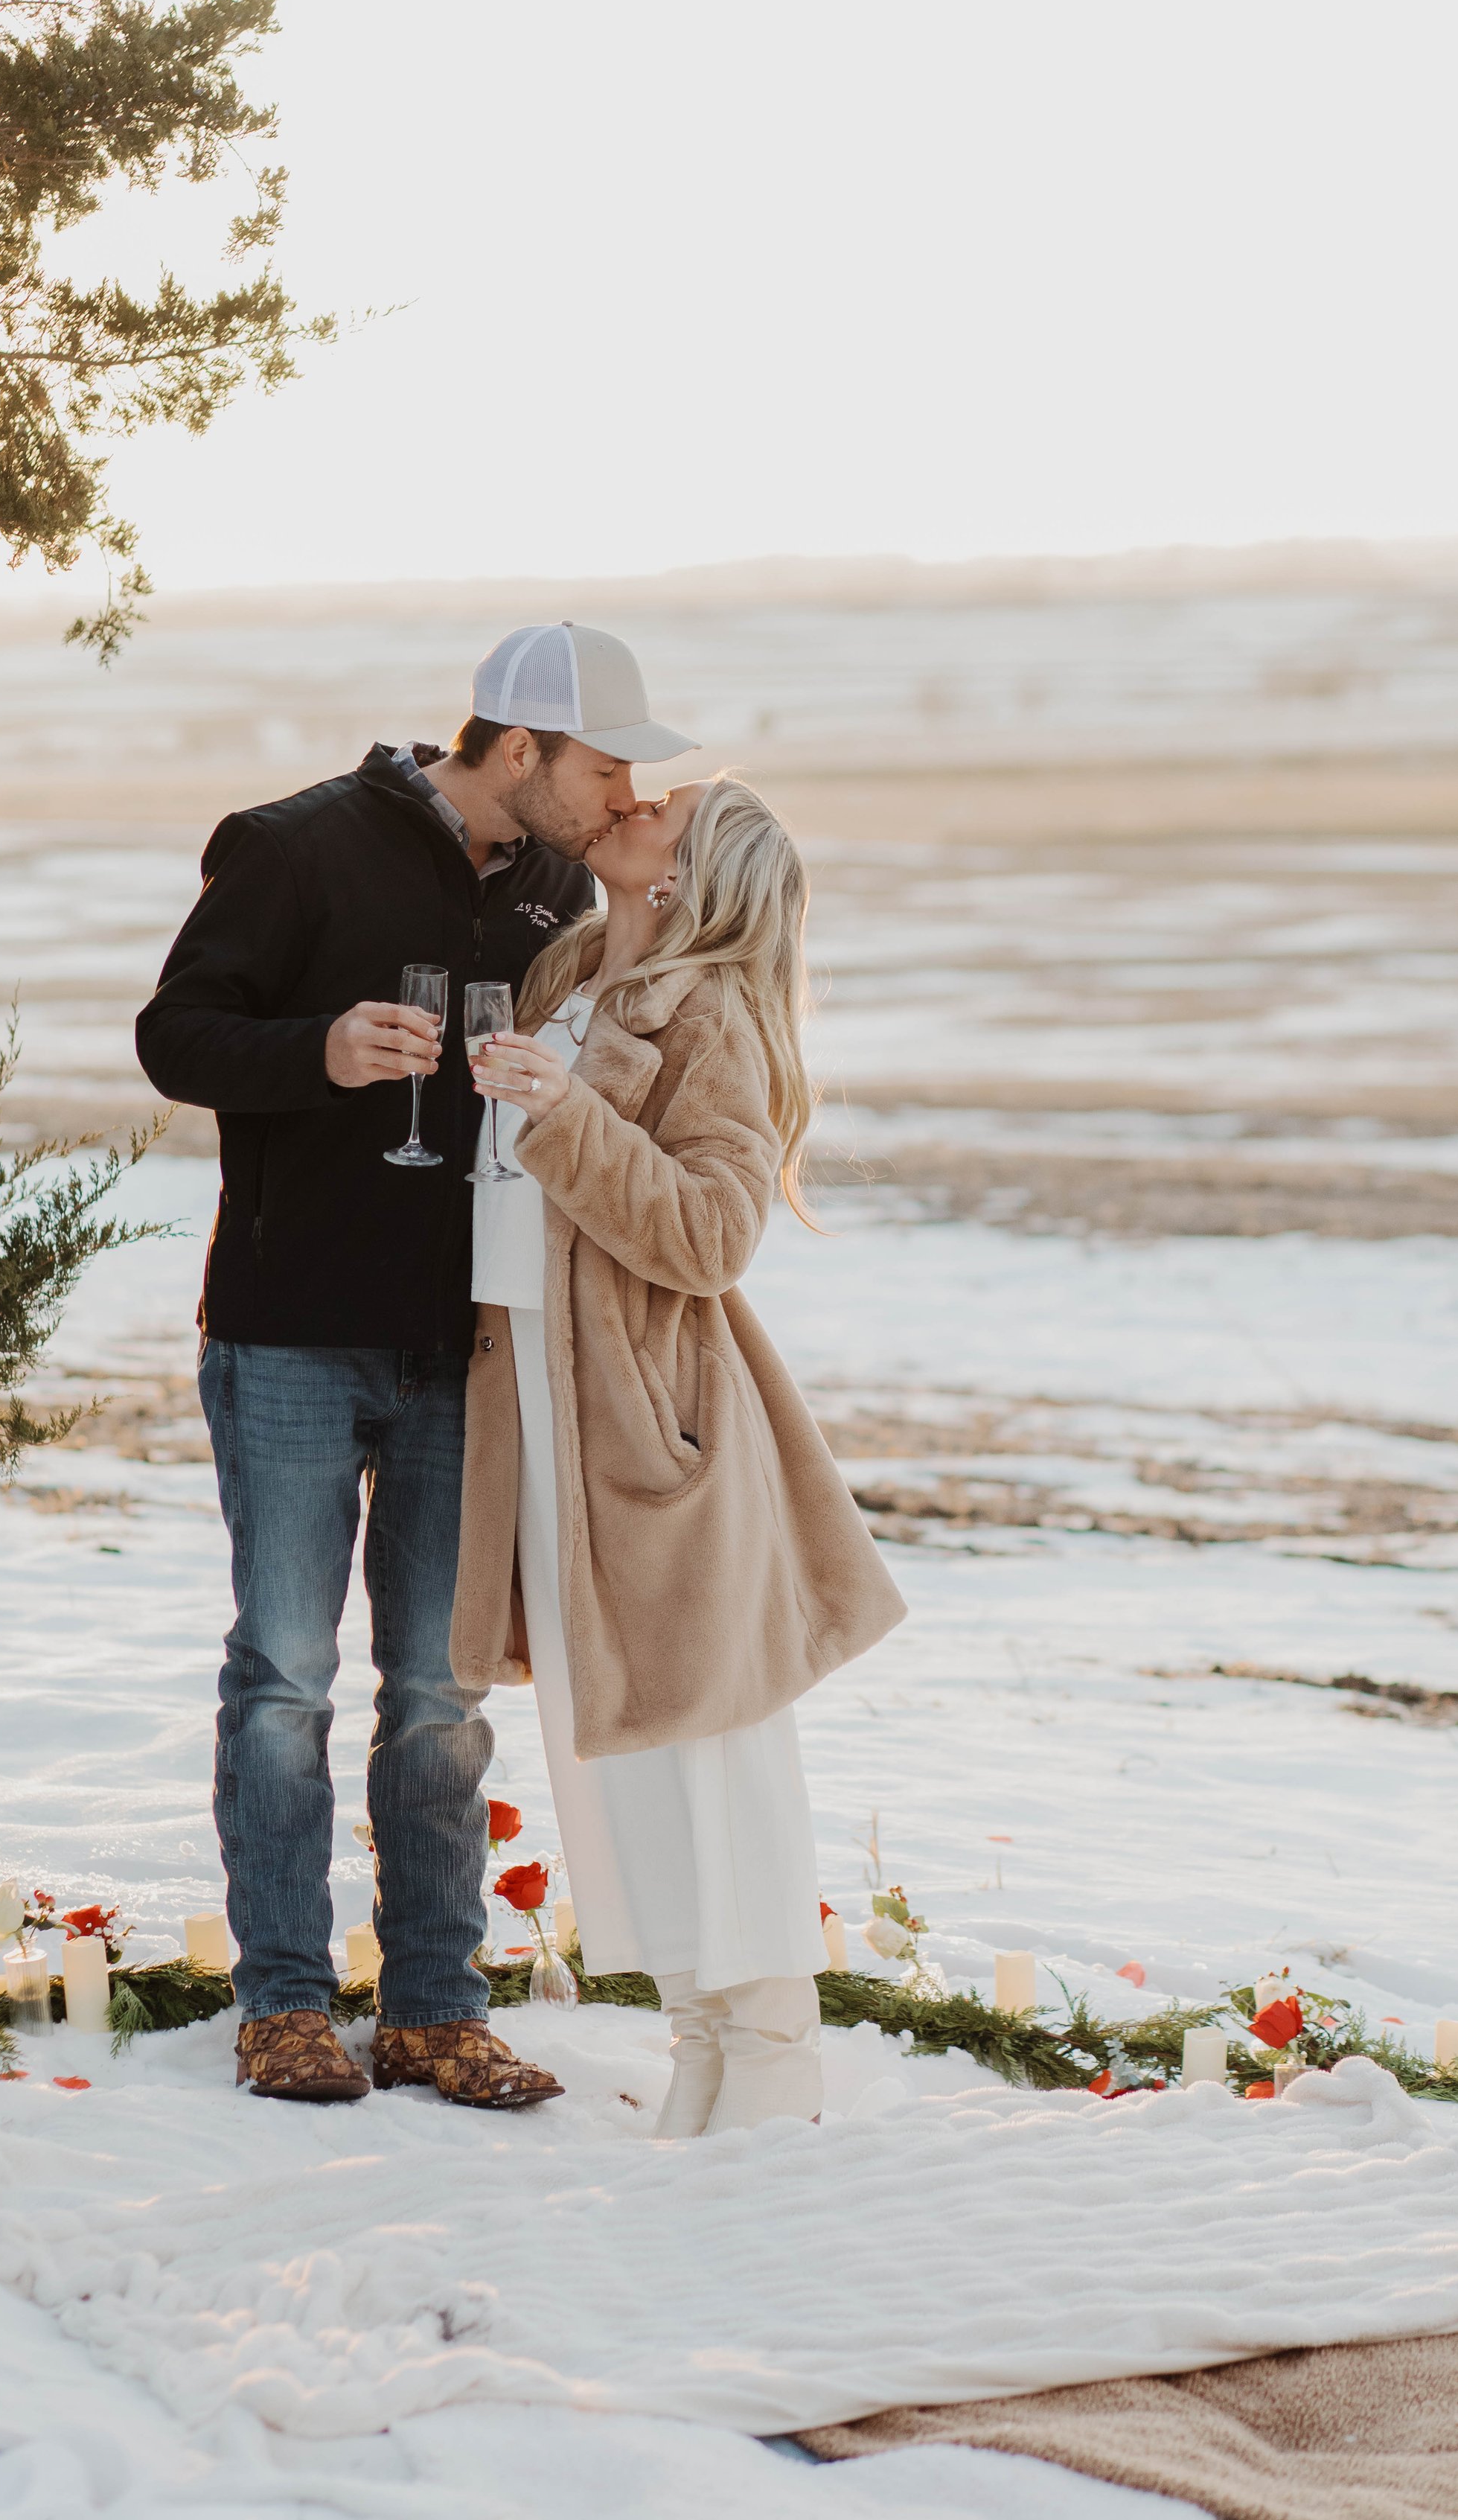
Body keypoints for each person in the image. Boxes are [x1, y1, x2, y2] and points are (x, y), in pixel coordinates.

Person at [134, 622, 695, 2106]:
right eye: (602, 762)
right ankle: (284, 2006)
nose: (620, 787)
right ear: (520, 749)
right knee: (283, 1679)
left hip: (470, 1348)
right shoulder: (291, 847)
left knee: (440, 1693)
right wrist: (316, 1052)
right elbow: (175, 1035)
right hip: (287, 1333)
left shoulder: (560, 890)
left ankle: (437, 2008)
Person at [451, 776, 908, 2134]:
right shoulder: (565, 968)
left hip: (655, 1417)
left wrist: (563, 1113)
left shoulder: (713, 1013)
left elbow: (712, 1233)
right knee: (615, 1741)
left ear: (689, 869)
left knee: (712, 1733)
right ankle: (700, 2048)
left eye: (672, 805)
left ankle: (771, 2060)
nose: (634, 798)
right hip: (532, 1395)